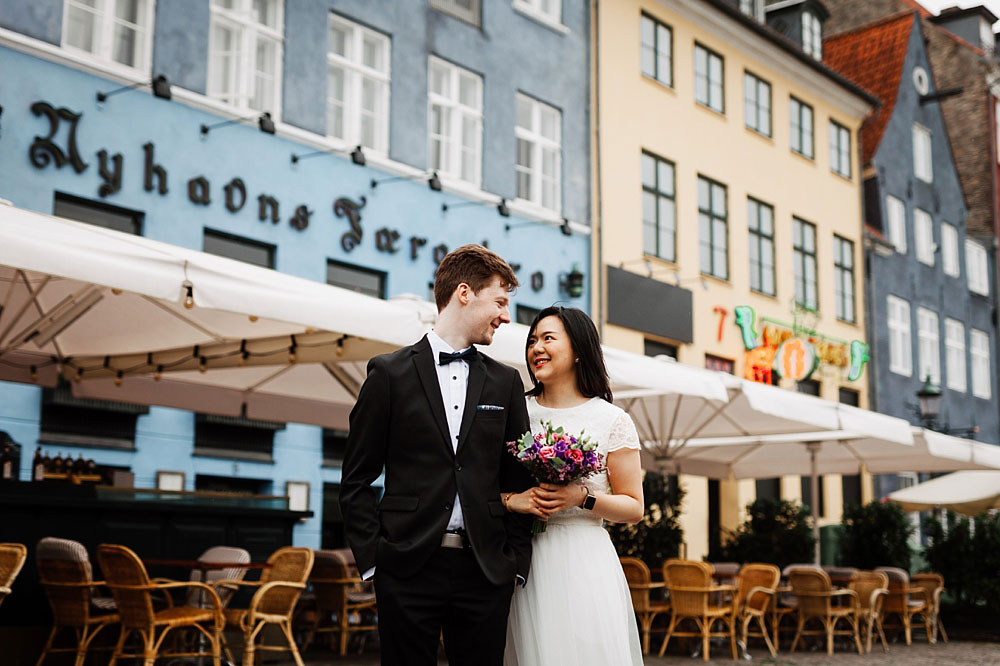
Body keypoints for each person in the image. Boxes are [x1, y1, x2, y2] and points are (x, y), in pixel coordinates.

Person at [340, 244, 534, 666]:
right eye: (499, 302)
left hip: (485, 571)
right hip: (406, 569)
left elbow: (518, 480)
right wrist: (375, 563)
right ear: (464, 293)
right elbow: (356, 479)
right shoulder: (388, 374)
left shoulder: (506, 383)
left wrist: (514, 566)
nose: (505, 316)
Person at [502, 306, 645, 666]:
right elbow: (483, 483)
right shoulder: (516, 412)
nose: (536, 347)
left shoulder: (611, 419)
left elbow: (634, 507)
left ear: (579, 349)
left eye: (548, 338)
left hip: (586, 560)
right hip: (524, 558)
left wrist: (583, 497)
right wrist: (512, 500)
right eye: (532, 340)